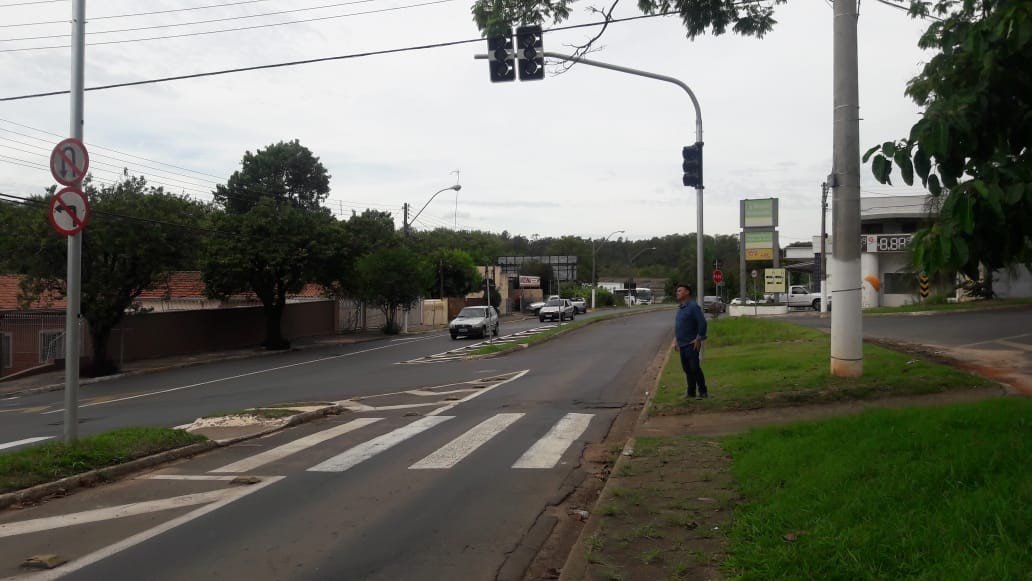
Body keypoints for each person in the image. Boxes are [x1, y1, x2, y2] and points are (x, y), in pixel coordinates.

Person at [674, 283, 708, 399]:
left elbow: (702, 323)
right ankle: (691, 392)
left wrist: (699, 338)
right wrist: (676, 341)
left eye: (680, 290)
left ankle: (703, 391)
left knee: (694, 368)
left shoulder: (693, 306)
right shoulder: (681, 308)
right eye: (677, 291)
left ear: (687, 292)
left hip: (691, 344)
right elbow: (679, 326)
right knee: (687, 369)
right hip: (682, 344)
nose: (677, 293)